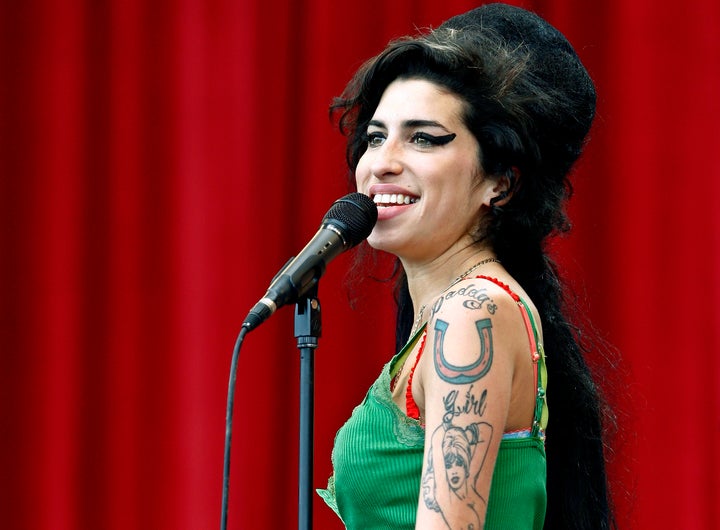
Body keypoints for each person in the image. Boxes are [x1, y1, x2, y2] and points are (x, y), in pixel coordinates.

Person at [317, 3, 615, 529]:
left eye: (424, 137)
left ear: (499, 183)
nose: (382, 161)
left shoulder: (471, 312)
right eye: (375, 136)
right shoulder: (462, 310)